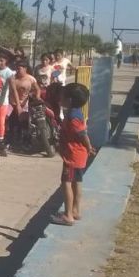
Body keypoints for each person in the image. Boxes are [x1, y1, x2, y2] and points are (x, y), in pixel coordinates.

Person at [51, 83, 96, 226]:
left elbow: (82, 134)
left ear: (69, 100)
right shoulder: (76, 112)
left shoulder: (72, 116)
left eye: (62, 95)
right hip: (78, 155)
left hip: (72, 155)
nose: (60, 97)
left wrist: (89, 147)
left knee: (66, 183)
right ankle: (75, 210)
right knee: (77, 181)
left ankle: (68, 215)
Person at [0, 51, 16, 156]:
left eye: (2, 61)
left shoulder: (8, 72)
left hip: (3, 102)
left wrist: (16, 102)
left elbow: (13, 88)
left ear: (6, 61)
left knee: (1, 122)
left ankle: (0, 142)